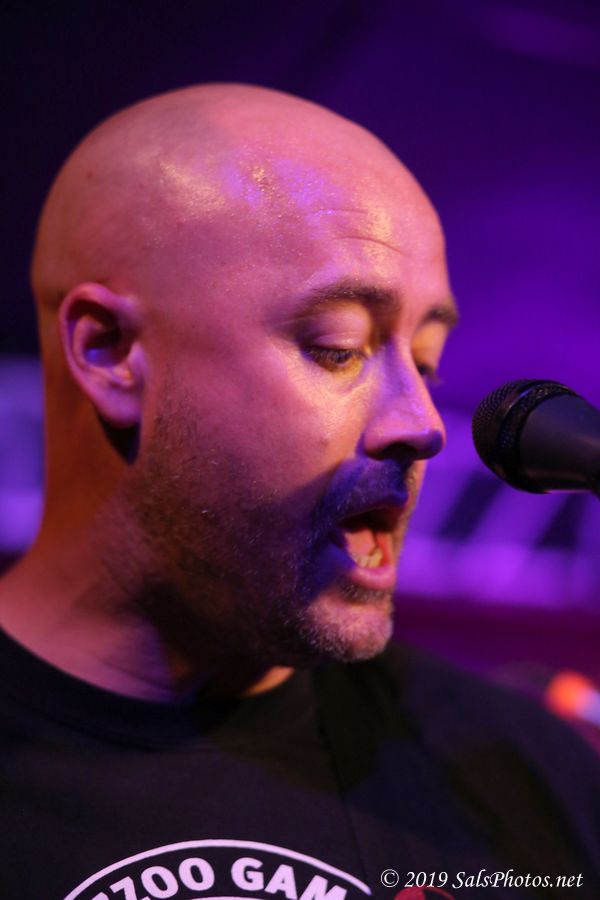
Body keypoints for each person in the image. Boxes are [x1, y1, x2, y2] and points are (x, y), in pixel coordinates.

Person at [0, 84, 598, 900]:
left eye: (425, 362)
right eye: (338, 347)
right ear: (109, 352)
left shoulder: (525, 780)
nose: (424, 424)